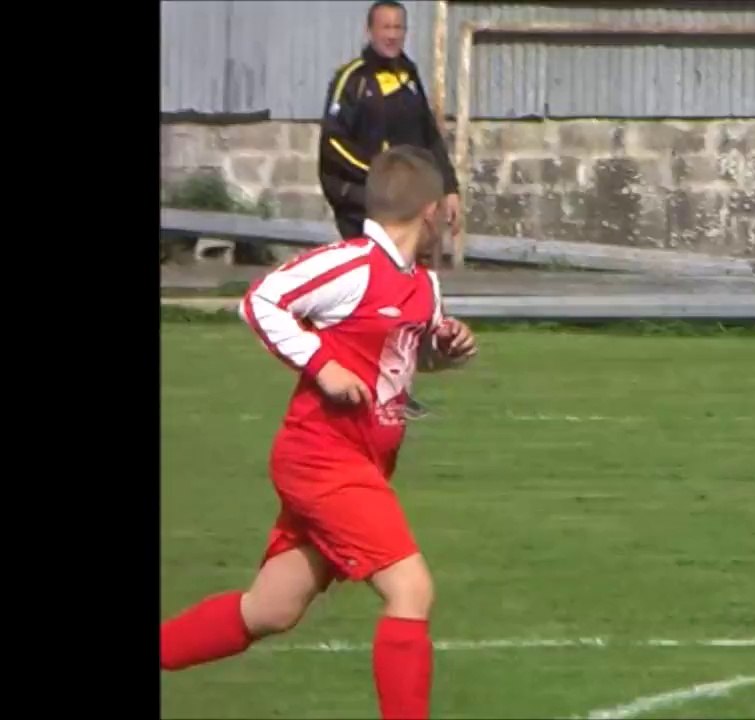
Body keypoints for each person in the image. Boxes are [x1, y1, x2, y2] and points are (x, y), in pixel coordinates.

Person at [160, 146, 477, 720]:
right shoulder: (353, 265)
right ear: (430, 212)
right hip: (323, 459)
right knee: (412, 589)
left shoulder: (423, 287)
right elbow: (261, 301)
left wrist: (441, 350)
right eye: (447, 210)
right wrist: (320, 363)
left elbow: (400, 358)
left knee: (271, 608)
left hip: (360, 462)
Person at [320, 1, 461, 241]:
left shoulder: (409, 76)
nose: (392, 35)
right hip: (363, 200)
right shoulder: (353, 79)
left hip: (407, 199)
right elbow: (333, 144)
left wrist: (449, 188)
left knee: (405, 270)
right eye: (386, 28)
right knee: (374, 269)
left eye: (398, 28)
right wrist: (381, 176)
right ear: (369, 31)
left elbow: (429, 136)